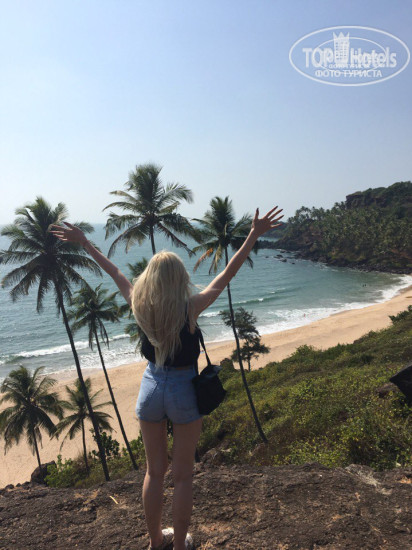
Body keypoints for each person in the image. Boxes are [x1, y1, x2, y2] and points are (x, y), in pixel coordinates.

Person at [50, 205, 283, 550]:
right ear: (179, 279)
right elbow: (227, 274)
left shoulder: (139, 303)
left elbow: (114, 271)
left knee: (154, 472)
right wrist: (252, 235)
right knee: (183, 474)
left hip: (150, 386)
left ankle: (156, 541)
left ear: (150, 279)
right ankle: (178, 547)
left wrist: (84, 242)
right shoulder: (190, 308)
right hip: (183, 389)